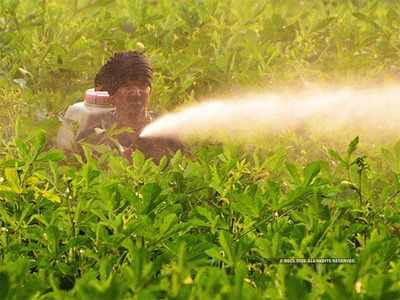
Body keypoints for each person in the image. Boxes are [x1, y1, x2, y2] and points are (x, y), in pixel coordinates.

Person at [57, 51, 183, 162]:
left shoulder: (168, 131)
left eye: (142, 86)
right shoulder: (94, 134)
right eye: (127, 87)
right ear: (111, 94)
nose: (136, 93)